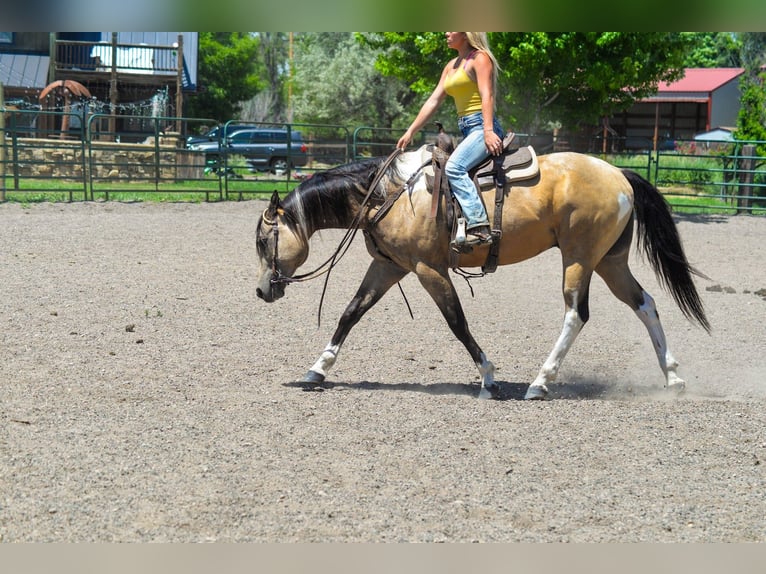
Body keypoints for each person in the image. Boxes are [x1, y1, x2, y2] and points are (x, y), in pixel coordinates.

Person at [397, 32, 504, 247]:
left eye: (451, 29)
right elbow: (433, 100)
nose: (446, 33)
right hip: (466, 129)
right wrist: (411, 130)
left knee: (454, 167)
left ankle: (479, 226)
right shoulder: (451, 66)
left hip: (481, 126)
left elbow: (487, 95)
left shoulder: (480, 58)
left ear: (466, 33)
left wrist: (488, 130)